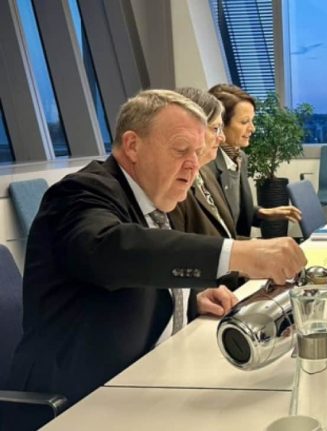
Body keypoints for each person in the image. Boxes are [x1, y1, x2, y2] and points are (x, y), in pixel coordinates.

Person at [4, 90, 307, 431]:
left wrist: (190, 299)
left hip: (146, 385)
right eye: (181, 150)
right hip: (78, 406)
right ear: (133, 145)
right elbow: (112, 251)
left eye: (197, 153)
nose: (193, 165)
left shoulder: (159, 198)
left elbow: (148, 269)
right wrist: (236, 254)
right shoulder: (80, 193)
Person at [207, 83, 301, 237]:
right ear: (219, 125)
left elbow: (237, 210)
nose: (252, 128)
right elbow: (214, 227)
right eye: (244, 122)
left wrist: (263, 213)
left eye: (252, 121)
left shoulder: (240, 157)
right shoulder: (205, 166)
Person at [168, 87, 237, 238]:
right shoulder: (174, 184)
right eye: (215, 128)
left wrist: (261, 245)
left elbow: (228, 236)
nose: (222, 138)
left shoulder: (205, 172)